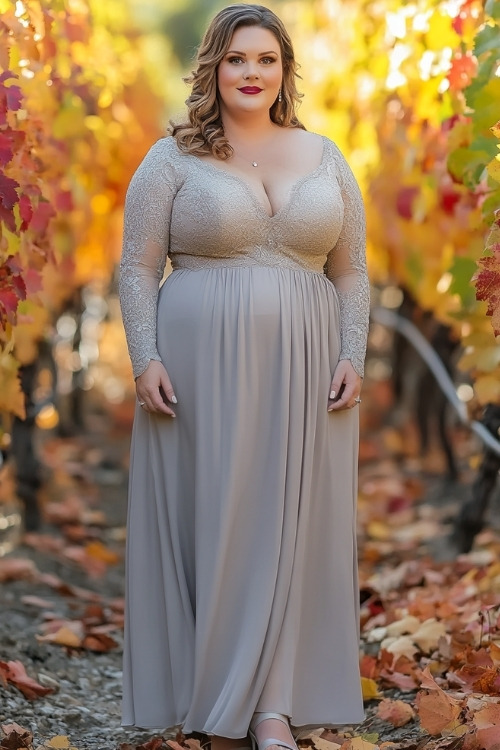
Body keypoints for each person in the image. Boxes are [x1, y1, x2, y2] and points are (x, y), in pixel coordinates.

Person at [119, 4, 370, 750]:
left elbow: (352, 272)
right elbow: (136, 267)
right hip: (198, 371)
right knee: (222, 521)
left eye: (264, 59)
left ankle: (272, 706)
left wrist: (351, 352)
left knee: (292, 528)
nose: (251, 72)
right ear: (213, 69)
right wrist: (144, 358)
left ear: (284, 69)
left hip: (310, 368)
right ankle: (217, 695)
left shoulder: (326, 157)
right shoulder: (170, 160)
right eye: (236, 59)